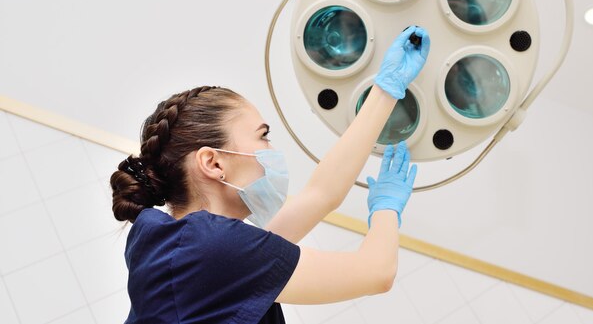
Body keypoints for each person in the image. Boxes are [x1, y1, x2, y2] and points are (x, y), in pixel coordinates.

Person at [110, 25, 430, 323]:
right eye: (262, 135)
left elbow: (321, 195)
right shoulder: (214, 247)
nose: (270, 149)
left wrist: (387, 89)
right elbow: (377, 273)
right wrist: (387, 208)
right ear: (214, 163)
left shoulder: (180, 244)